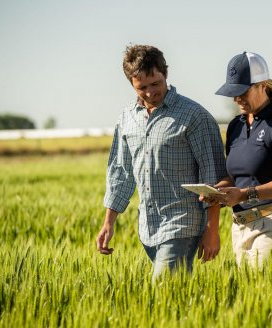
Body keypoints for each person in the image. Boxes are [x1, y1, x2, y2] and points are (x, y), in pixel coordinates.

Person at [95, 44, 226, 281]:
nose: (149, 92)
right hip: (147, 226)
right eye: (141, 87)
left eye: (155, 83)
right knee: (173, 301)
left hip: (183, 223)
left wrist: (212, 230)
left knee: (162, 292)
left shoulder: (194, 116)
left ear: (165, 73)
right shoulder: (127, 117)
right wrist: (108, 223)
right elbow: (120, 172)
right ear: (131, 84)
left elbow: (212, 176)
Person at [206, 51, 272, 266]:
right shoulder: (236, 126)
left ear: (262, 85)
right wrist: (217, 192)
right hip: (241, 227)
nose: (237, 99)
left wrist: (243, 195)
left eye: (242, 91)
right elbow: (237, 177)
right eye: (233, 93)